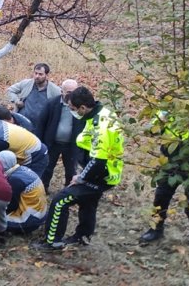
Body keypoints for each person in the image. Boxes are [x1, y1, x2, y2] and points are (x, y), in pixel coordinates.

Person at [31, 86, 124, 251]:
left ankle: (53, 242)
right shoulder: (101, 113)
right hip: (105, 171)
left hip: (102, 174)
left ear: (83, 107)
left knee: (60, 200)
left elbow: (98, 161)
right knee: (88, 202)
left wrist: (81, 177)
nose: (72, 112)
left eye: (73, 109)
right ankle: (83, 235)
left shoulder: (99, 126)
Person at [138, 113, 189, 251]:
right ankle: (155, 228)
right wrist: (161, 119)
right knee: (161, 197)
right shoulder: (170, 107)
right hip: (170, 163)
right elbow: (150, 130)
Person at [36, 79, 84, 193]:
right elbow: (41, 123)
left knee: (71, 169)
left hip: (71, 145)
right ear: (61, 91)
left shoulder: (81, 107)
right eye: (68, 92)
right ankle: (43, 188)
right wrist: (39, 143)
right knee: (47, 167)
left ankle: (69, 191)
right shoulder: (52, 103)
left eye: (74, 92)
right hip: (52, 143)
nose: (71, 95)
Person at [0, 151, 48, 234]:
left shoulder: (15, 180)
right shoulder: (22, 169)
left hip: (29, 220)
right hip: (39, 214)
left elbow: (11, 205)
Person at [6, 63, 61, 131]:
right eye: (35, 73)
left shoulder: (55, 90)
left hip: (40, 127)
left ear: (47, 75)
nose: (37, 76)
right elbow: (10, 90)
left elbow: (61, 104)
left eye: (40, 74)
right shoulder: (26, 83)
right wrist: (17, 101)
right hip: (21, 124)